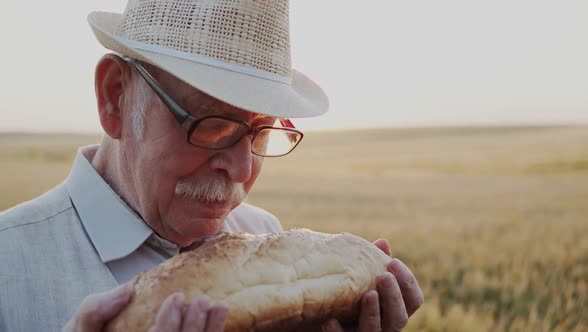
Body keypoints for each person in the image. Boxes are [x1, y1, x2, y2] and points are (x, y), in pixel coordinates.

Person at [0, 0, 423, 331]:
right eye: (213, 126)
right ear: (115, 97)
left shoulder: (262, 232)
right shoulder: (9, 268)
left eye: (262, 130)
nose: (242, 170)